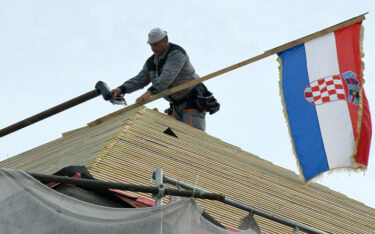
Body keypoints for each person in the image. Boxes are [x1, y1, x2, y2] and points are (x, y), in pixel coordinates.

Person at [112, 28, 217, 131]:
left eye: (156, 44)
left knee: (193, 138)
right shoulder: (151, 62)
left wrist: (150, 92)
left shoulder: (176, 53)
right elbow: (140, 79)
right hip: (175, 105)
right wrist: (121, 89)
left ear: (165, 41)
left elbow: (167, 76)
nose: (153, 48)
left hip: (191, 100)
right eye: (151, 45)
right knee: (173, 140)